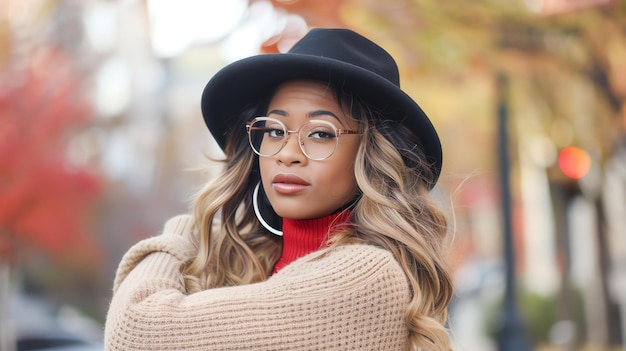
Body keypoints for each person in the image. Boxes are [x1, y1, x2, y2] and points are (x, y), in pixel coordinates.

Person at [104, 28, 454, 350]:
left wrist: (181, 233)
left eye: (320, 133)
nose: (287, 154)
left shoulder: (364, 277)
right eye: (274, 130)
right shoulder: (255, 262)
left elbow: (135, 333)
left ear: (372, 155)